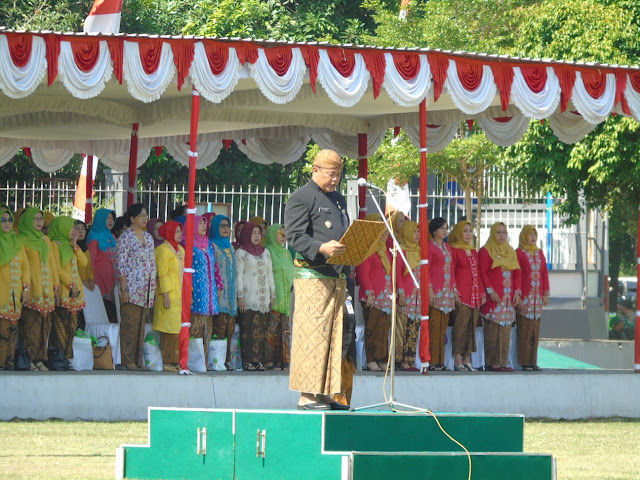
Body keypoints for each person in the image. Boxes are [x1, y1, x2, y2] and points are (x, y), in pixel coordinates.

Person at [284, 149, 350, 410]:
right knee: (310, 336)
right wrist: (322, 248)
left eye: (338, 175)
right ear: (315, 170)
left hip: (335, 276)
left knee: (332, 336)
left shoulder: (338, 199)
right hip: (312, 277)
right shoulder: (301, 197)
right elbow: (295, 235)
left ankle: (325, 393)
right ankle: (307, 395)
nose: (334, 180)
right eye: (331, 174)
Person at [116, 203, 156, 371]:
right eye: (141, 215)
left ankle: (139, 359)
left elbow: (152, 263)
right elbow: (121, 265)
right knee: (129, 325)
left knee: (141, 326)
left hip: (146, 290)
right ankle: (128, 359)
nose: (145, 218)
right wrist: (124, 289)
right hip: (131, 289)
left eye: (146, 215)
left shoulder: (149, 238)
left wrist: (153, 288)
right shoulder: (126, 238)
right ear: (132, 219)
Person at [17, 208, 59, 371]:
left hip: (46, 290)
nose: (39, 221)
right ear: (27, 221)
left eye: (40, 218)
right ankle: (29, 359)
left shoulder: (45, 240)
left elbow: (53, 265)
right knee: (30, 327)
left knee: (44, 326)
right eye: (35, 219)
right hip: (32, 289)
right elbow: (22, 266)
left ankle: (40, 359)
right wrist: (25, 288)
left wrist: (56, 286)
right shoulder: (21, 239)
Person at [357, 229, 404, 372]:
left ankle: (382, 359)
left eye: (385, 233)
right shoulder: (368, 250)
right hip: (372, 298)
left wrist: (397, 293)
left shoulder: (385, 251)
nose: (383, 235)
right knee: (372, 329)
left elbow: (393, 274)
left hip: (386, 297)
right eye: (380, 232)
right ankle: (370, 360)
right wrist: (369, 294)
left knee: (383, 331)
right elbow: (363, 273)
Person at [479, 222, 522, 372]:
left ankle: (503, 362)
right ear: (492, 234)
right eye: (498, 232)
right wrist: (490, 291)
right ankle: (493, 363)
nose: (502, 235)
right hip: (494, 298)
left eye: (504, 232)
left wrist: (517, 292)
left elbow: (517, 273)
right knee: (493, 330)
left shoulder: (510, 251)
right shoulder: (486, 251)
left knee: (505, 331)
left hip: (508, 299)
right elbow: (482, 272)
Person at [182, 215, 223, 370]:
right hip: (196, 292)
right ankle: (194, 362)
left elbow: (215, 267)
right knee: (196, 327)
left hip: (210, 293)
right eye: (200, 224)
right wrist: (189, 292)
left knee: (208, 328)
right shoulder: (187, 245)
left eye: (204, 224)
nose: (204, 226)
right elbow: (186, 272)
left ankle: (205, 362)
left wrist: (219, 286)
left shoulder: (209, 245)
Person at [235, 221, 276, 371]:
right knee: (248, 330)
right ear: (247, 234)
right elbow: (239, 275)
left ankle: (258, 360)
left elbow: (269, 274)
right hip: (248, 297)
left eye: (259, 233)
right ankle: (248, 360)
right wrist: (240, 297)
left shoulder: (265, 252)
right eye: (253, 233)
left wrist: (272, 294)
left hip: (263, 298)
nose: (257, 236)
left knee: (261, 330)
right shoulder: (242, 252)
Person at [448, 220, 485, 372]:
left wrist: (482, 292)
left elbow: (478, 274)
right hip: (462, 296)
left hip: (474, 296)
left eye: (470, 231)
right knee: (460, 327)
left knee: (472, 327)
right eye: (465, 231)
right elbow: (451, 273)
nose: (469, 234)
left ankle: (467, 358)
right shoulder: (454, 251)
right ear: (458, 232)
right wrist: (454, 291)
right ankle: (457, 358)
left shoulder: (473, 251)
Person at [48, 216, 86, 361]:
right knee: (60, 327)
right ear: (62, 228)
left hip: (76, 293)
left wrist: (75, 245)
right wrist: (71, 284)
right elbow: (57, 269)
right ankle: (58, 358)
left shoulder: (71, 246)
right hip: (65, 291)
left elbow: (84, 262)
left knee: (72, 326)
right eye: (71, 227)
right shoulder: (54, 245)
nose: (74, 230)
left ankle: (67, 357)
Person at [516, 225, 550, 371]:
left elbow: (544, 273)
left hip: (537, 299)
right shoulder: (519, 253)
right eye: (530, 234)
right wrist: (518, 294)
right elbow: (517, 274)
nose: (533, 237)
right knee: (525, 330)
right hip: (525, 297)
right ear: (524, 236)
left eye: (534, 234)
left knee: (535, 330)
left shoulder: (539, 252)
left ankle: (533, 361)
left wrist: (546, 293)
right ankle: (524, 361)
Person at [0, 207, 31, 370]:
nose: (7, 223)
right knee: (2, 329)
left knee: (13, 329)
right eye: (3, 220)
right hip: (1, 293)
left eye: (9, 220)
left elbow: (25, 267)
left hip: (15, 294)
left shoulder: (18, 243)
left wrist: (26, 289)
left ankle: (9, 362)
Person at [153, 221, 184, 372]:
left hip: (179, 293)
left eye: (180, 231)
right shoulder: (162, 250)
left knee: (177, 328)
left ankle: (176, 360)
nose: (180, 234)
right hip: (168, 293)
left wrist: (188, 292)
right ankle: (167, 361)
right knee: (168, 328)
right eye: (177, 231)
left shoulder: (180, 250)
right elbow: (162, 273)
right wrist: (165, 294)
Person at [426, 217, 457, 371]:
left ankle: (441, 361)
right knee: (434, 327)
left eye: (446, 228)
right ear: (434, 230)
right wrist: (430, 289)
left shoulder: (447, 247)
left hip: (447, 293)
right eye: (442, 228)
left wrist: (454, 289)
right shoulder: (429, 247)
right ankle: (432, 361)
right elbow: (426, 270)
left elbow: (451, 270)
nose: (445, 231)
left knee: (442, 329)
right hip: (435, 292)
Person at [209, 215, 238, 369]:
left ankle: (226, 361)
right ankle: (216, 361)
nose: (226, 228)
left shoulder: (230, 247)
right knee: (218, 328)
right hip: (219, 295)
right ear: (215, 228)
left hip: (232, 297)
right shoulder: (212, 245)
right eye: (222, 226)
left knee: (230, 330)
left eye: (227, 225)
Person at [264, 224, 294, 370]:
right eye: (280, 234)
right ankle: (271, 360)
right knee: (273, 330)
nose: (283, 237)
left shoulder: (286, 253)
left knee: (286, 329)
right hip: (275, 296)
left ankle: (285, 360)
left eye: (284, 234)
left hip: (288, 296)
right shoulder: (268, 251)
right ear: (271, 234)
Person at [397, 220, 421, 371]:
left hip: (417, 297)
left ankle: (411, 359)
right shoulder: (401, 250)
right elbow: (398, 275)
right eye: (414, 231)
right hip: (406, 295)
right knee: (402, 328)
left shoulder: (419, 251)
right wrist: (401, 293)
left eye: (419, 231)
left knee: (413, 328)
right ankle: (400, 359)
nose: (417, 234)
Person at [87, 209, 118, 323]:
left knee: (113, 314)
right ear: (100, 220)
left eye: (112, 218)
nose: (110, 221)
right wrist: (92, 279)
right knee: (103, 312)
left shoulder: (112, 237)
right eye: (107, 218)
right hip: (99, 281)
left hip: (113, 280)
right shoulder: (93, 237)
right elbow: (90, 262)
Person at [74, 220, 94, 332]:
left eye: (83, 228)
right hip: (76, 288)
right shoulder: (72, 247)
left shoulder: (86, 249)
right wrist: (82, 282)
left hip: (86, 288)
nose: (81, 231)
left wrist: (90, 280)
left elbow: (90, 267)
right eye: (77, 228)